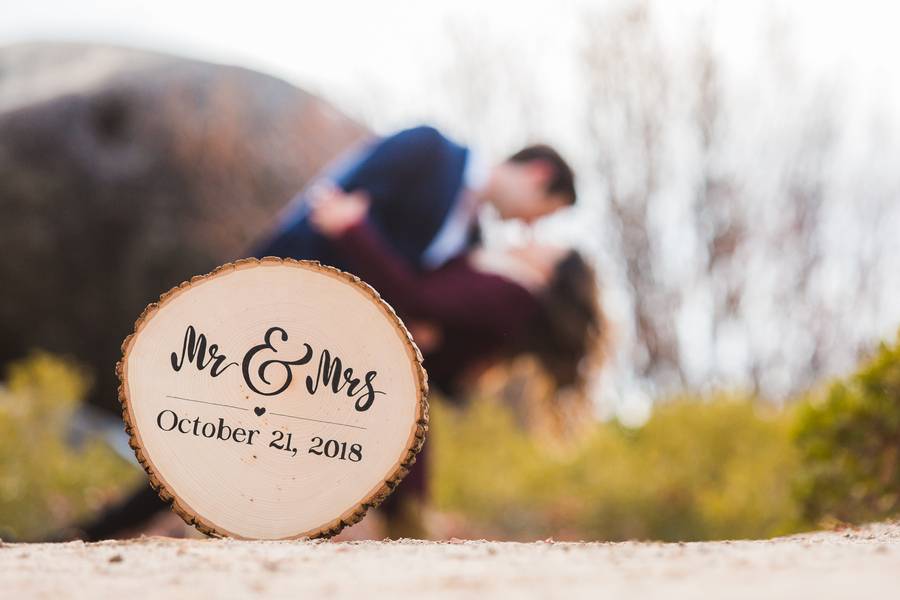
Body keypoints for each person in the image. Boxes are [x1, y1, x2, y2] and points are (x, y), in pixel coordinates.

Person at [309, 185, 605, 537]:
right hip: (396, 416)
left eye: (550, 247)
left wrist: (352, 228)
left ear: (549, 272)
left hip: (385, 400)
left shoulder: (512, 295)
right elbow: (449, 367)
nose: (534, 239)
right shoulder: (509, 292)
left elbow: (419, 298)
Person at [252, 125, 577, 272]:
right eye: (543, 212)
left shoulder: (472, 242)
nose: (530, 224)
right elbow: (328, 209)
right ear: (539, 174)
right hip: (275, 282)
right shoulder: (429, 150)